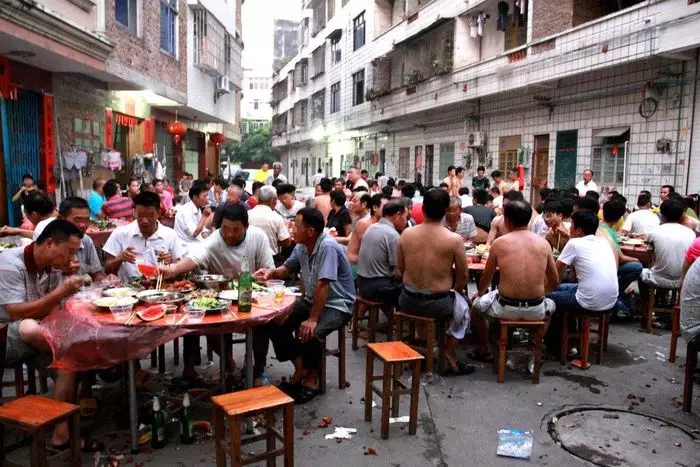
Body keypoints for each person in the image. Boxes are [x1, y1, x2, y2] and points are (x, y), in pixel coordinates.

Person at [161, 204, 275, 381]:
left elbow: (269, 269)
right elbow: (194, 257)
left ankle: (258, 369)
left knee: (262, 326)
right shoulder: (214, 240)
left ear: (246, 226)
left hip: (251, 296)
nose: (229, 234)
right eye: (225, 229)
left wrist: (264, 275)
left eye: (235, 230)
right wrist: (173, 269)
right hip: (220, 299)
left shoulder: (258, 237)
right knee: (211, 327)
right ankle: (228, 362)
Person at [0, 220, 88, 447]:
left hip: (37, 332)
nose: (71, 258)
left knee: (67, 360)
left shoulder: (53, 268)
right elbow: (15, 312)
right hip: (6, 332)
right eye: (69, 252)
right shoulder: (9, 263)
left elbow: (52, 309)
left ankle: (61, 432)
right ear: (49, 243)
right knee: (29, 327)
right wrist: (60, 293)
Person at [253, 208, 355, 403]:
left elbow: (323, 285)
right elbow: (286, 269)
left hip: (337, 304)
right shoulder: (301, 246)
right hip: (311, 300)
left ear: (310, 231)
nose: (292, 229)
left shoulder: (328, 247)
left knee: (310, 332)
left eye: (296, 226)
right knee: (274, 321)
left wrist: (313, 319)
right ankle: (300, 367)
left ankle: (311, 380)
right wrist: (271, 273)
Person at [397, 189, 472, 376]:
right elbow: (463, 276)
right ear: (446, 211)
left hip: (408, 299)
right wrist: (456, 290)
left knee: (423, 311)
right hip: (438, 304)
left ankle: (422, 345)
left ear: (423, 209)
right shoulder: (454, 240)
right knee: (465, 307)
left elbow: (401, 269)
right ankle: (449, 352)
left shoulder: (406, 234)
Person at [470, 201, 558, 360]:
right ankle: (535, 345)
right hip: (536, 309)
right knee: (550, 307)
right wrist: (540, 294)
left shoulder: (499, 243)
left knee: (475, 308)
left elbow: (486, 278)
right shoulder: (544, 244)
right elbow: (554, 281)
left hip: (505, 308)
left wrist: (480, 294)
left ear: (507, 220)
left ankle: (485, 349)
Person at [103, 192, 185, 281]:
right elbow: (107, 270)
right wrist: (120, 258)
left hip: (161, 286)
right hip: (128, 287)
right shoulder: (120, 233)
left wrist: (171, 263)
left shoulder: (170, 235)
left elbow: (181, 271)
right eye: (140, 215)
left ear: (158, 213)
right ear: (134, 212)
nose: (145, 221)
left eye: (149, 215)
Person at [547, 210, 618, 312]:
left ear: (579, 230)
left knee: (547, 296)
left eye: (571, 224)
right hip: (611, 301)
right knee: (562, 288)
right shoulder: (603, 241)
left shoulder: (574, 243)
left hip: (587, 302)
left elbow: (555, 272)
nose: (569, 228)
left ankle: (567, 322)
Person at [33, 197, 104, 281]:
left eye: (86, 220)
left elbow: (97, 273)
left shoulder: (86, 240)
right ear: (60, 218)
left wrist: (107, 281)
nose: (83, 225)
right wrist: (59, 270)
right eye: (77, 220)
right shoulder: (48, 239)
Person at [357, 200, 407, 307]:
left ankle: (389, 316)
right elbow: (398, 271)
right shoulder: (392, 235)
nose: (406, 221)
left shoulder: (371, 227)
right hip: (379, 288)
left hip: (362, 284)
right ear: (398, 215)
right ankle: (397, 316)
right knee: (410, 293)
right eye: (405, 217)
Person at [599, 199, 643, 315]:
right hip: (607, 266)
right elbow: (621, 258)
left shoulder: (598, 226)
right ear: (619, 218)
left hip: (598, 264)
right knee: (637, 266)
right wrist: (638, 259)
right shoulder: (609, 233)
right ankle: (617, 291)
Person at [641, 198, 696, 289]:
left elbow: (650, 252)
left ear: (662, 215)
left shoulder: (654, 231)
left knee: (640, 270)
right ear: (681, 215)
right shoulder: (691, 233)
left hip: (657, 279)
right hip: (682, 280)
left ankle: (646, 298)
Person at [247, 185, 292, 265]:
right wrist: (286, 226)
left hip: (249, 258)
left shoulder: (247, 214)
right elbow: (286, 242)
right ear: (272, 200)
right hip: (271, 259)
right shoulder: (276, 217)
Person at [347, 194, 388, 264]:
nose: (389, 210)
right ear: (375, 208)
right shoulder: (364, 223)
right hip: (360, 264)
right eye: (385, 207)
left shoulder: (387, 224)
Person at [174, 183, 212, 251]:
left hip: (194, 243)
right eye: (204, 196)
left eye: (207, 196)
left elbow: (202, 229)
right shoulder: (186, 211)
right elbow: (195, 233)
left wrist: (209, 240)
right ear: (195, 197)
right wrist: (204, 216)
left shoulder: (197, 208)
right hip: (185, 246)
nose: (207, 199)